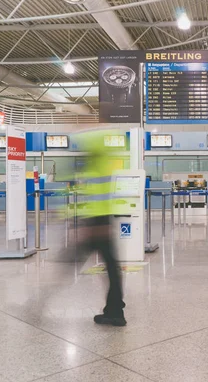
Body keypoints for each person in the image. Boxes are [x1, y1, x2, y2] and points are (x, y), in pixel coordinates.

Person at [76, 131, 126, 326]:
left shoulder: (96, 166)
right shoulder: (100, 164)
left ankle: (115, 311)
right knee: (112, 267)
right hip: (99, 221)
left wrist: (99, 224)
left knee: (69, 261)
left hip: (98, 222)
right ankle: (115, 311)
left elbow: (100, 196)